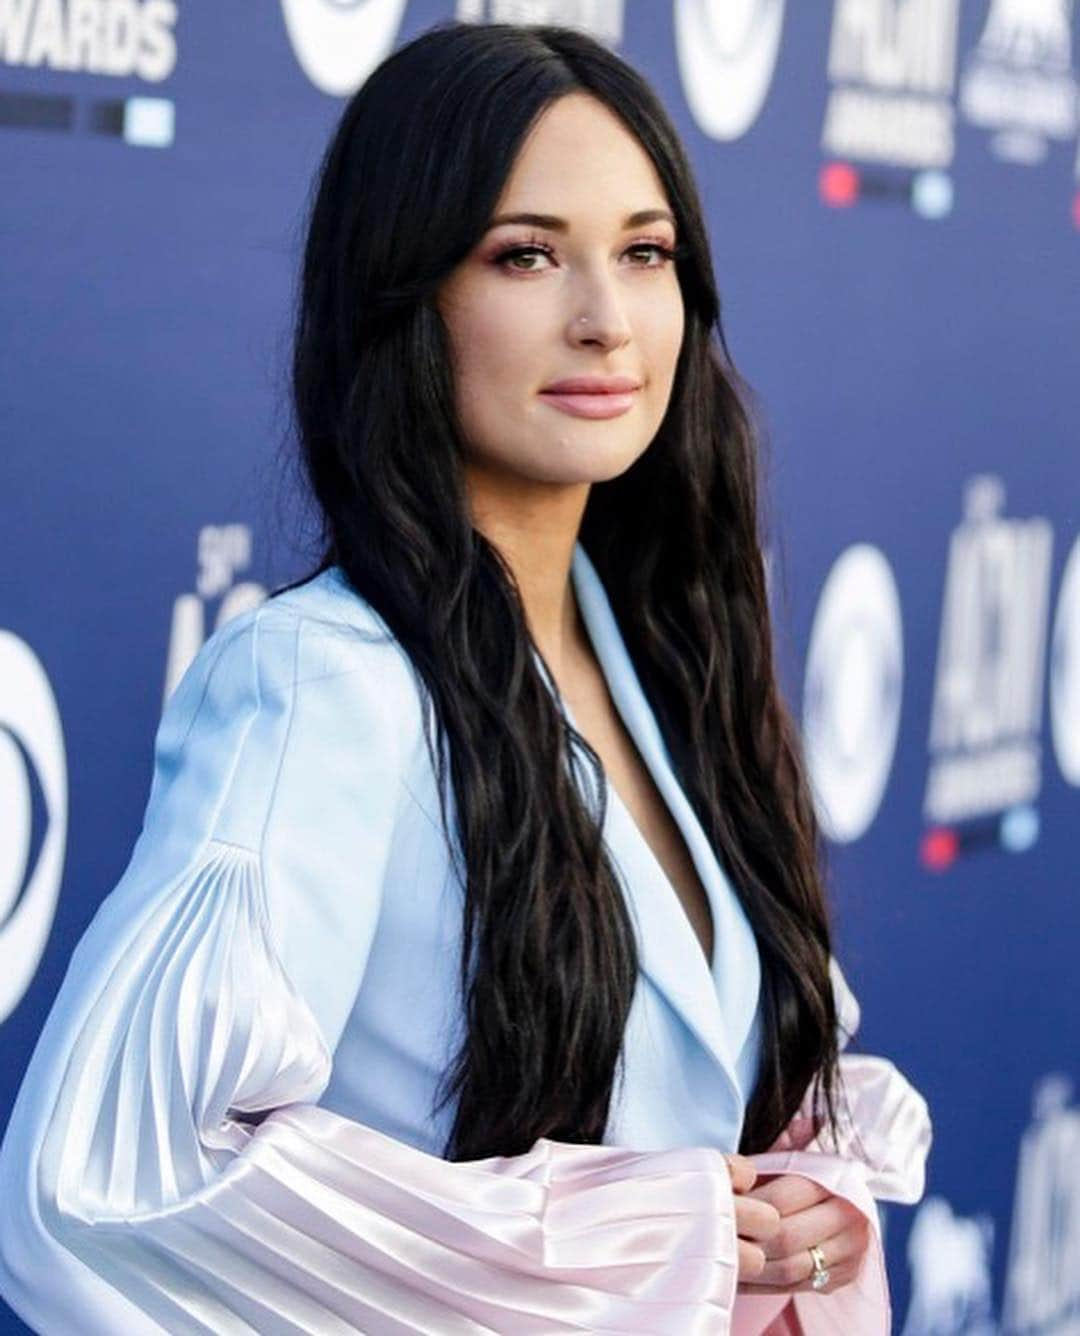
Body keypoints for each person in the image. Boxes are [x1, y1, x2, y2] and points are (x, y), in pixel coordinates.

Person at [0, 21, 930, 1335]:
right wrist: (634, 1235)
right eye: (526, 255)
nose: (605, 319)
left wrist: (794, 1232)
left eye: (645, 253)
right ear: (407, 295)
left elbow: (702, 1150)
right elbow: (103, 1199)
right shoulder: (323, 686)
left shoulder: (671, 664)